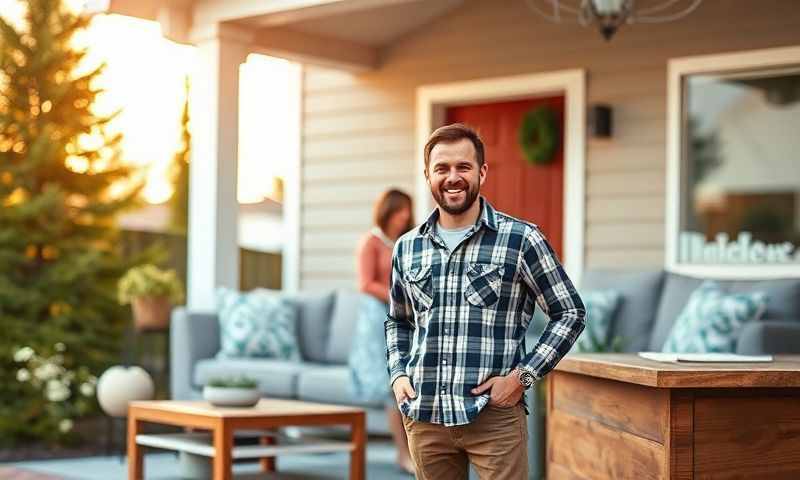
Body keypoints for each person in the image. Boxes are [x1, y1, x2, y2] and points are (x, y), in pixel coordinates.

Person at [385, 123, 586, 479]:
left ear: (482, 172)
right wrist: (399, 374)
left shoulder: (521, 239)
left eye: (463, 167)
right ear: (428, 175)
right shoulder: (407, 247)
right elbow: (398, 320)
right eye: (442, 168)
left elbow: (569, 312)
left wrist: (523, 377)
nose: (453, 177)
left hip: (493, 417)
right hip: (425, 414)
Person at [348, 188, 415, 474]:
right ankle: (403, 454)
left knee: (411, 381)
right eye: (400, 210)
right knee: (393, 384)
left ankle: (417, 453)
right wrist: (397, 297)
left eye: (407, 211)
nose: (405, 216)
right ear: (387, 210)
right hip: (378, 319)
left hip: (406, 317)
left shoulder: (407, 242)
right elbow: (364, 283)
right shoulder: (371, 242)